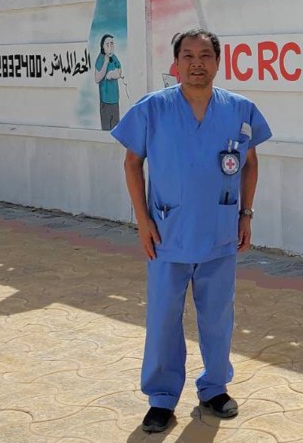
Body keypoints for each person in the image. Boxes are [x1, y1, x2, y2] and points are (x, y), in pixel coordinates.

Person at [110, 29, 271, 434]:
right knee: (164, 317)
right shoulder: (153, 109)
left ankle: (214, 388)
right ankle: (162, 399)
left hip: (220, 234)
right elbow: (132, 163)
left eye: (205, 56)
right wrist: (143, 221)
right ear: (176, 63)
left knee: (217, 317)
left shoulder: (239, 109)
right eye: (188, 56)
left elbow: (250, 163)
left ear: (218, 62)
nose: (196, 63)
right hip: (167, 234)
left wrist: (246, 213)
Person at [93, 34, 122, 130]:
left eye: (112, 44)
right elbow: (97, 78)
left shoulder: (114, 57)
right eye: (107, 45)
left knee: (115, 130)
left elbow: (119, 70)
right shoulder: (100, 58)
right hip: (105, 102)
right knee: (106, 130)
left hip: (115, 100)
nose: (110, 47)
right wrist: (105, 62)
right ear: (103, 47)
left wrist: (114, 74)